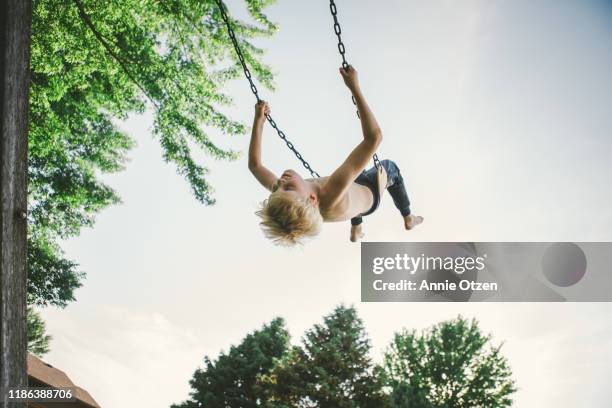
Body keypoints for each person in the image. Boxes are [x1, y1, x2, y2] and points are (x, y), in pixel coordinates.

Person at [248, 65, 423, 245]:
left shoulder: (290, 196)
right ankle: (408, 217)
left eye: (275, 189)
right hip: (370, 191)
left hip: (351, 198)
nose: (280, 183)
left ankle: (356, 228)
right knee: (389, 168)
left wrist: (259, 120)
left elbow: (255, 166)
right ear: (312, 199)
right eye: (288, 188)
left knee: (349, 188)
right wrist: (354, 87)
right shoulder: (330, 192)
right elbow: (374, 138)